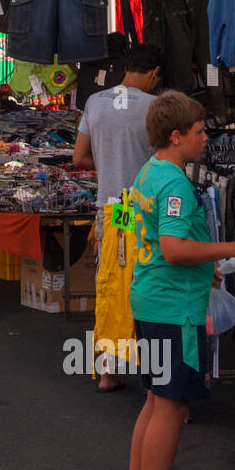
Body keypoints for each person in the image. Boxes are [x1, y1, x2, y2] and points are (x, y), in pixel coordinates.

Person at [122, 91, 235, 470]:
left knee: (156, 402)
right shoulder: (176, 183)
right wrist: (230, 247)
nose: (206, 138)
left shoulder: (150, 171)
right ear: (177, 135)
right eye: (200, 131)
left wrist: (208, 268)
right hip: (173, 308)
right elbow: (175, 248)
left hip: (154, 298)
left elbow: (163, 241)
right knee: (171, 407)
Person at [72, 44, 164, 391]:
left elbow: (79, 157)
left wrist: (109, 164)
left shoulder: (95, 102)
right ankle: (153, 369)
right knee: (149, 284)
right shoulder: (157, 108)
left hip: (113, 208)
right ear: (155, 73)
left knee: (111, 284)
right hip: (145, 208)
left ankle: (108, 369)